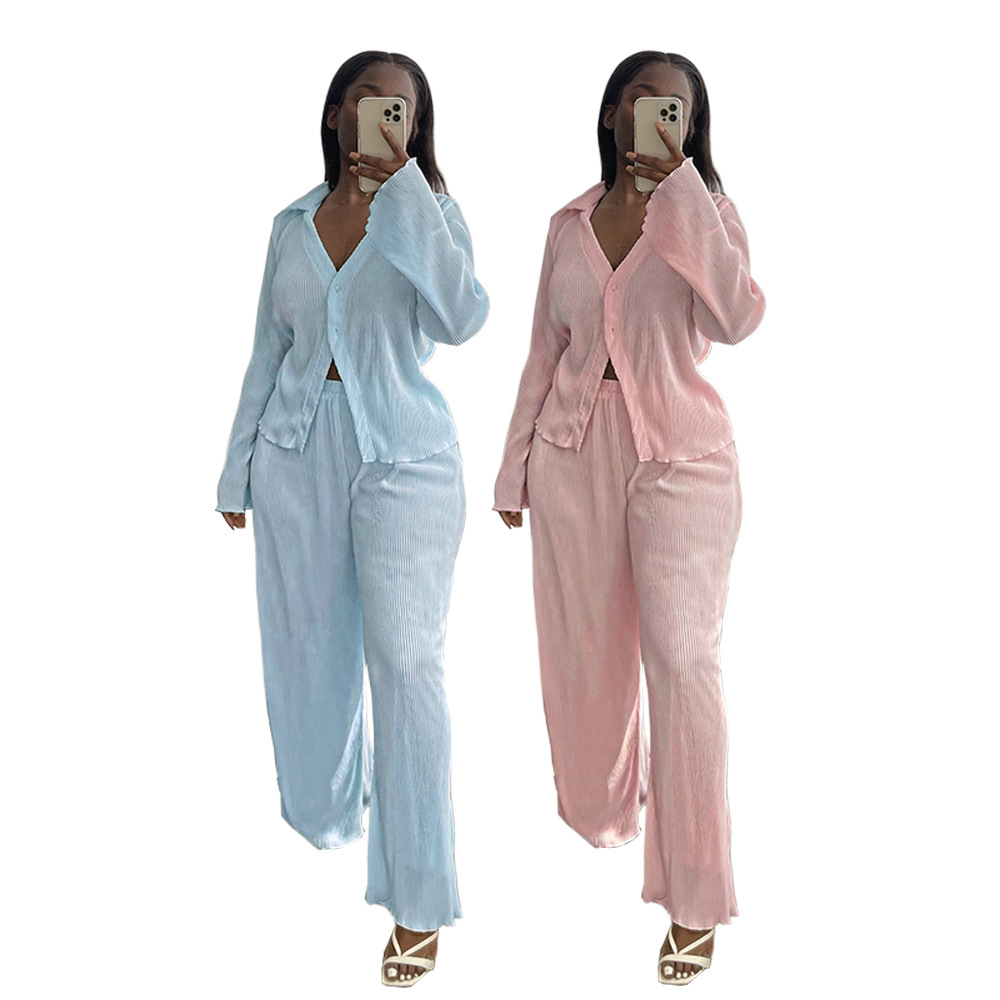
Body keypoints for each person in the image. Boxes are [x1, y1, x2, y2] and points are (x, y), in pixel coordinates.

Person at [216, 50, 488, 987]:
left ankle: (419, 898)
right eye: (369, 103)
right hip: (294, 459)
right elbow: (267, 352)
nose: (383, 120)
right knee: (305, 658)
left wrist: (406, 197)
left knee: (408, 668)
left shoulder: (431, 214)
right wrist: (236, 471)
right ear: (336, 113)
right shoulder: (290, 227)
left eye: (402, 111)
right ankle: (335, 812)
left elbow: (461, 318)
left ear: (417, 129)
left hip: (407, 460)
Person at [492, 50, 765, 985]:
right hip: (571, 458)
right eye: (645, 104)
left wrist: (684, 198)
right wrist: (513, 469)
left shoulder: (707, 214)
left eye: (678, 112)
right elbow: (543, 350)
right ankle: (609, 809)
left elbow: (736, 319)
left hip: (683, 458)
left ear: (693, 130)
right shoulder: (566, 226)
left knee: (684, 666)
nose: (660, 120)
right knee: (583, 659)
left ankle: (696, 894)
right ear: (612, 113)